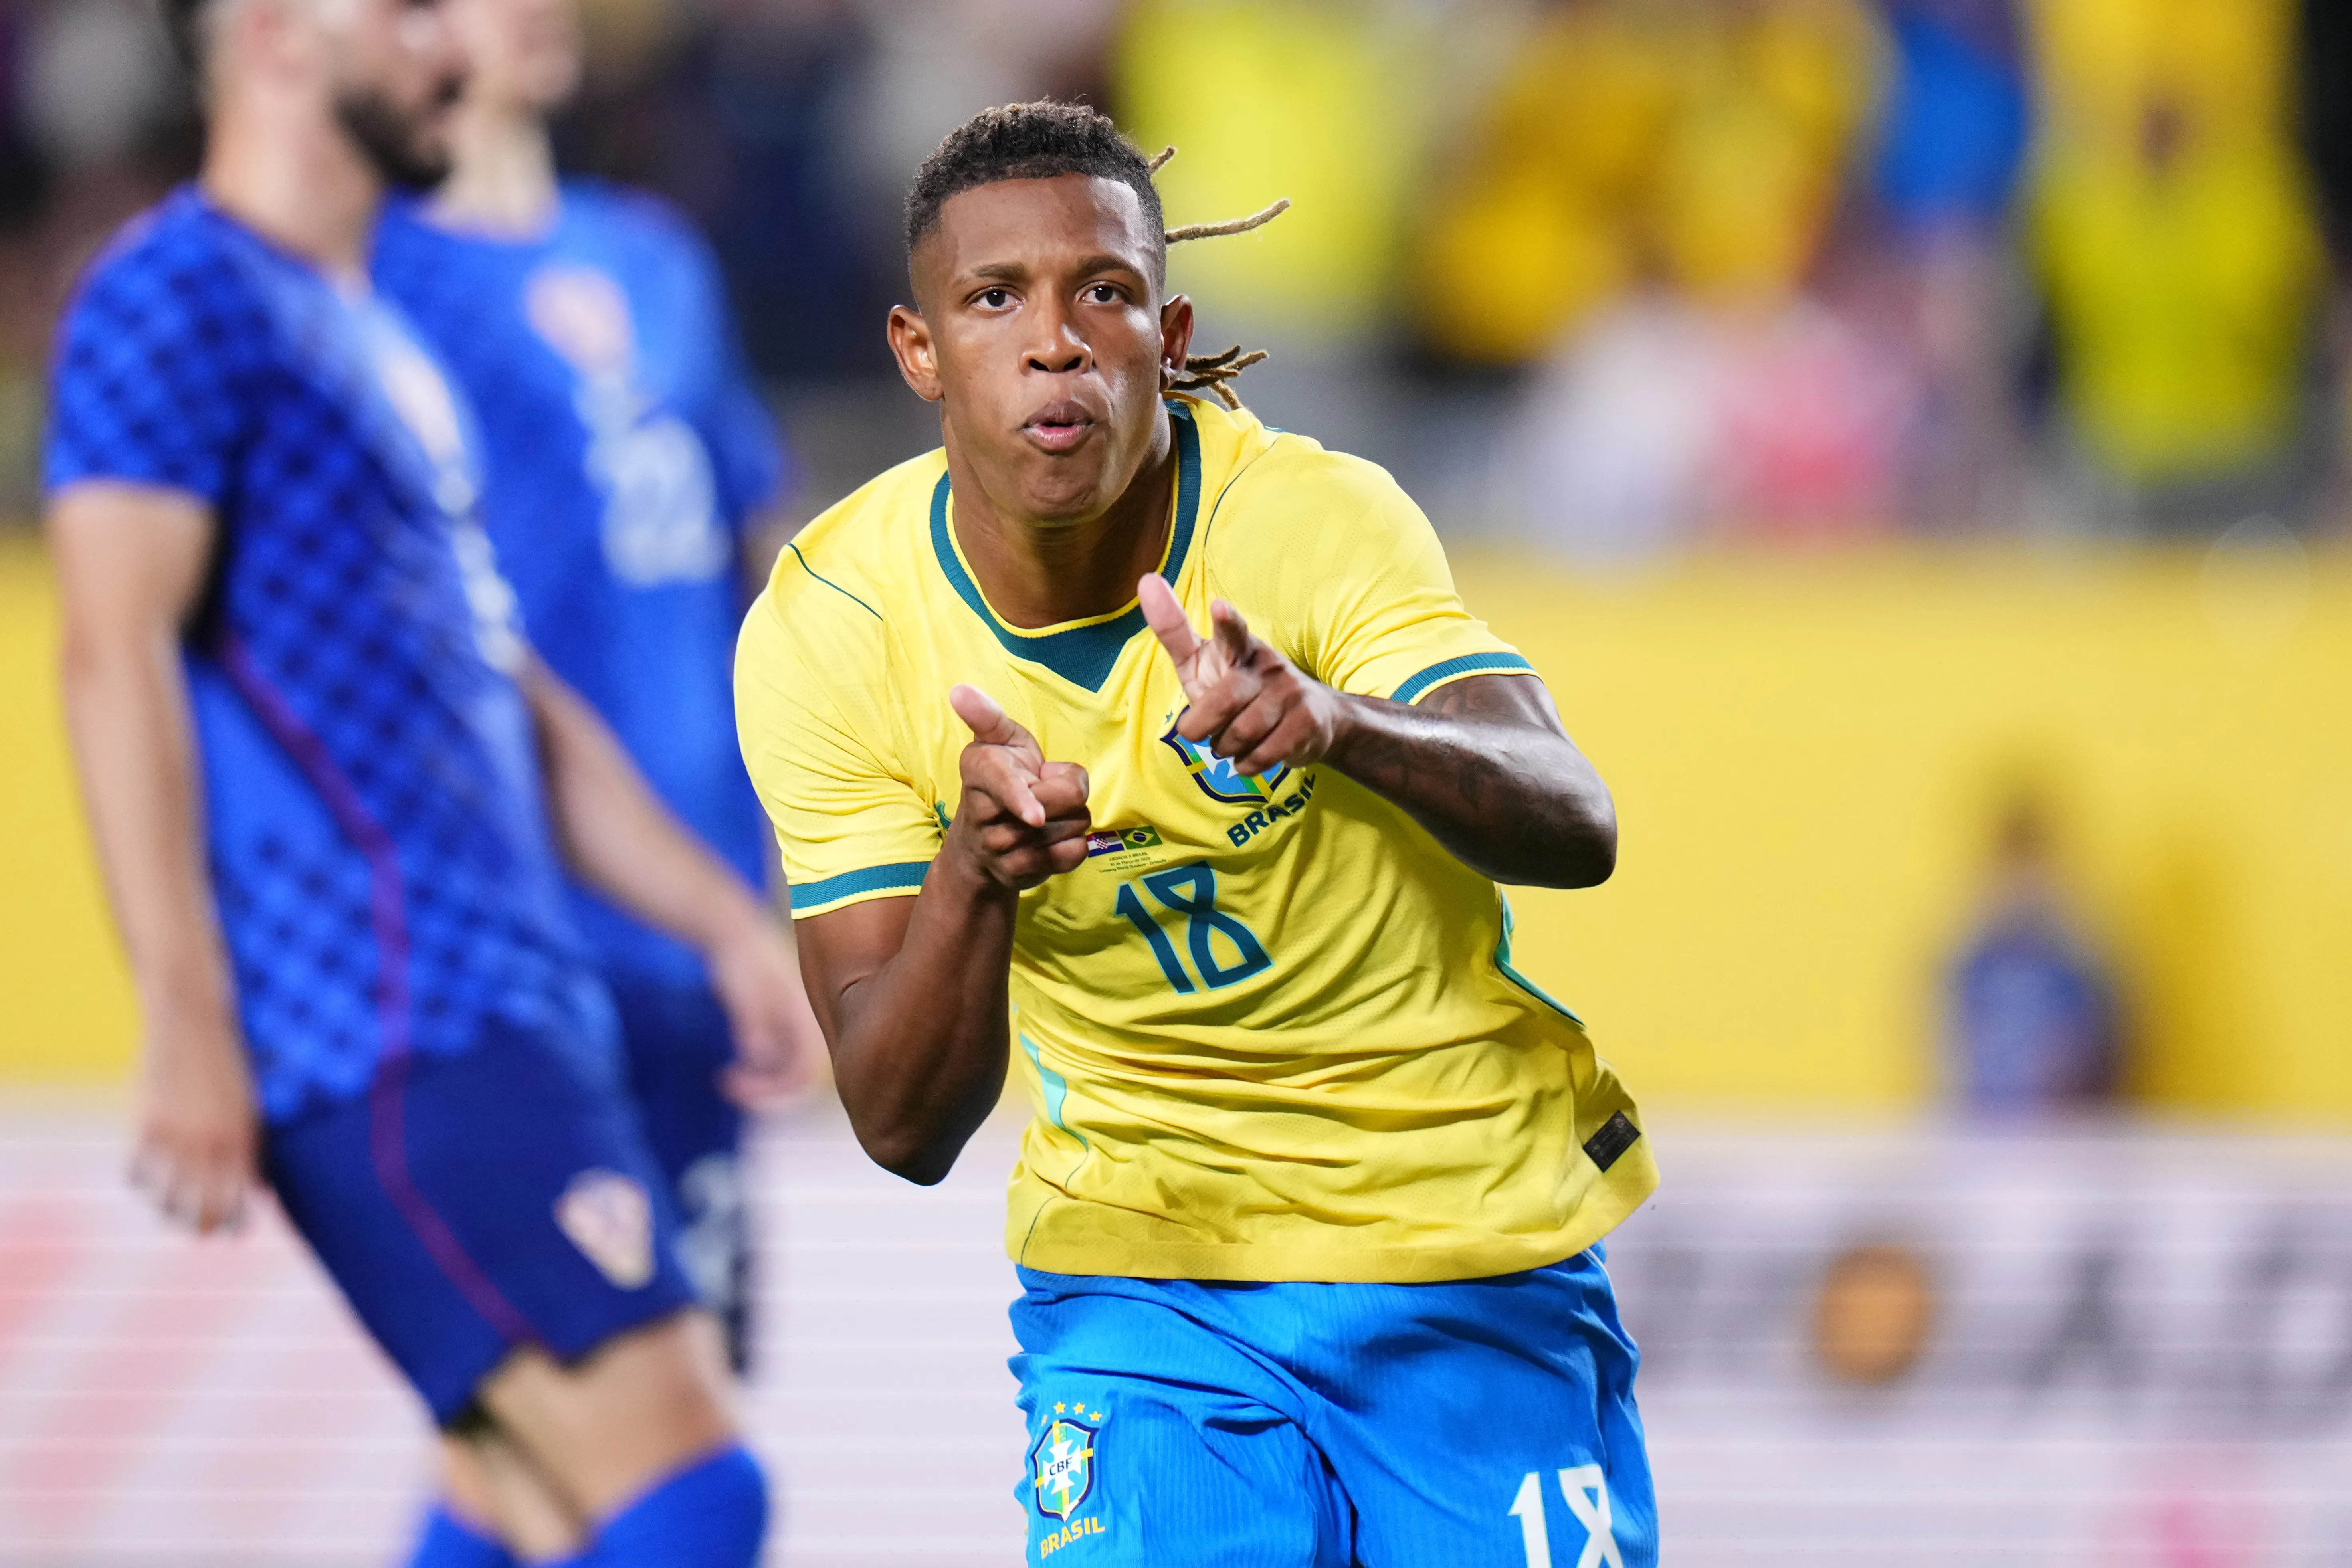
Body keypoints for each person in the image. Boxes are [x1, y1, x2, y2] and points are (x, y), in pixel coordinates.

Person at [735, 102, 1659, 1567]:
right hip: (1145, 1280)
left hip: (1459, 1250)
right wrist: (974, 879)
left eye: (1101, 293)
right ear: (919, 351)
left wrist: (1350, 725)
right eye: (995, 299)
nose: (1055, 344)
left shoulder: (1312, 522)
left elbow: (1574, 816)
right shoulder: (832, 628)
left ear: (1164, 337)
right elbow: (902, 1129)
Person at [42, 0, 802, 1560]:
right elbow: (109, 654)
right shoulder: (173, 295)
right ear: (268, 30)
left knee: (518, 1500)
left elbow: (507, 701)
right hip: (387, 1022)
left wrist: (725, 919)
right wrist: (184, 1020)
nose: (445, 51)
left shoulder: (366, 327)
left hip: (506, 1001)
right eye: (402, 15)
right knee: (691, 1490)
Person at [371, 0, 817, 1379]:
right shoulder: (373, 280)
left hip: (699, 909)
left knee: (689, 1393)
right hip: (518, 929)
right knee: (566, 1414)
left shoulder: (653, 256)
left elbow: (761, 565)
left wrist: (806, 873)